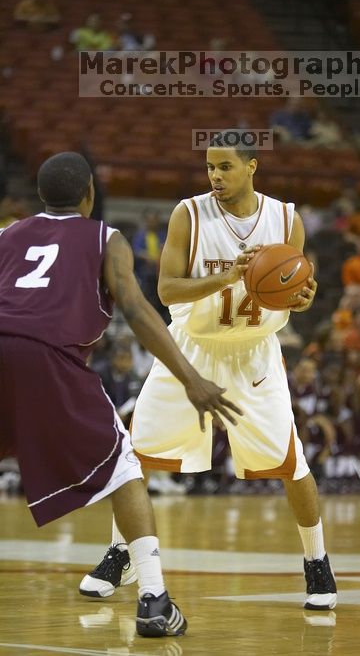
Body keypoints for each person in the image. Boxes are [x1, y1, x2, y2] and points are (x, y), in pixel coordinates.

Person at [81, 132, 337, 611]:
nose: (215, 176)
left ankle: (317, 561)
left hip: (254, 353)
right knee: (136, 456)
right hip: (190, 351)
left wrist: (305, 297)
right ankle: (122, 551)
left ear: (252, 166)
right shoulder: (189, 214)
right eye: (210, 168)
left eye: (225, 167)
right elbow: (167, 290)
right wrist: (228, 276)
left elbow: (300, 286)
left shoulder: (286, 219)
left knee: (291, 463)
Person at [0, 152, 242, 638]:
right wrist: (191, 378)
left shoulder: (6, 236)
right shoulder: (105, 238)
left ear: (41, 196)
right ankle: (153, 599)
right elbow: (135, 308)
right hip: (49, 357)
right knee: (125, 466)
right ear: (89, 194)